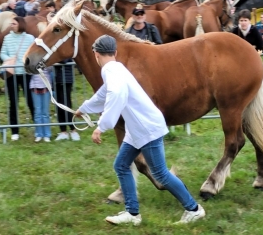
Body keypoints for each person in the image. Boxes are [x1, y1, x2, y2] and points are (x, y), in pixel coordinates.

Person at [75, 34, 206, 225]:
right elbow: (104, 93)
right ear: (115, 52)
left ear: (95, 54)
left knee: (161, 173)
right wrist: (84, 108)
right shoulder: (115, 68)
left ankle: (193, 209)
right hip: (138, 129)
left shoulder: (111, 71)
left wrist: (101, 126)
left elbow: (116, 96)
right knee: (121, 165)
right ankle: (132, 213)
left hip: (146, 129)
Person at [0, 17, 35, 141]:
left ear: (20, 24)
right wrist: (10, 59)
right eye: (11, 23)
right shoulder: (7, 38)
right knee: (13, 102)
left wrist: (25, 61)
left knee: (31, 101)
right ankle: (14, 130)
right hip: (12, 74)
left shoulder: (30, 38)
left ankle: (37, 125)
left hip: (26, 74)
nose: (11, 25)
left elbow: (34, 53)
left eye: (14, 23)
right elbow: (2, 53)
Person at [54, 59, 80, 141]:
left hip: (66, 79)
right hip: (57, 79)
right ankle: (63, 131)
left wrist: (53, 61)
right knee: (59, 106)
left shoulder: (65, 48)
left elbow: (64, 59)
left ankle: (73, 130)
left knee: (66, 105)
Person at [30, 67, 53, 143]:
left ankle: (47, 135)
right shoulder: (32, 58)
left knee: (45, 112)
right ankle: (39, 134)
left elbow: (51, 69)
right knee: (37, 112)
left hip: (46, 86)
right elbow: (28, 71)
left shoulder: (46, 59)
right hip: (35, 86)